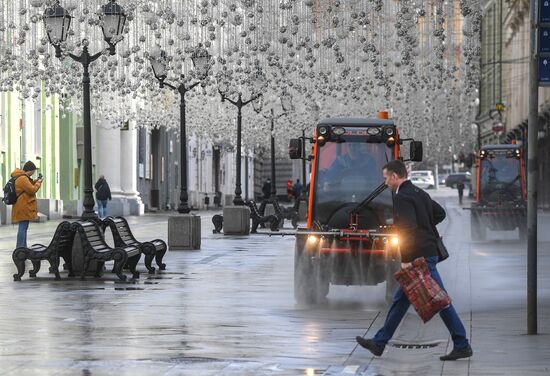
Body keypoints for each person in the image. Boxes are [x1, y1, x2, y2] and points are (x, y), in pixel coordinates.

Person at [355, 160, 472, 361]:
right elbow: (440, 213)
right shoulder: (419, 193)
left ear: (394, 176)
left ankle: (462, 343)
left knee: (440, 299)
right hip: (427, 252)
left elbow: (407, 229)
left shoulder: (401, 197)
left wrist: (406, 258)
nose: (386, 183)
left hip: (420, 256)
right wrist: (425, 227)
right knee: (401, 300)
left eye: (386, 178)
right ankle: (379, 342)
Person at [11, 161, 43, 248]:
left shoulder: (22, 177)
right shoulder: (22, 178)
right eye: (33, 172)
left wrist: (37, 180)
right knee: (23, 228)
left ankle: (23, 248)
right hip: (23, 206)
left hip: (23, 205)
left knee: (24, 227)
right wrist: (39, 183)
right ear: (30, 170)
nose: (33, 174)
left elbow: (28, 186)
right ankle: (20, 248)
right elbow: (32, 190)